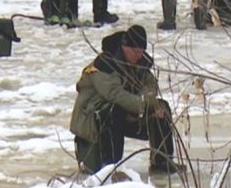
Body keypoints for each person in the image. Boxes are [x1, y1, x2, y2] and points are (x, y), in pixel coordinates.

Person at [69, 25, 177, 174]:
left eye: (142, 52)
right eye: (136, 51)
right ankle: (111, 167)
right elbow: (114, 94)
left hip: (124, 112)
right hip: (93, 121)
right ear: (125, 47)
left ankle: (162, 161)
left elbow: (150, 84)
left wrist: (151, 104)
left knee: (162, 107)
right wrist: (143, 107)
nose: (139, 56)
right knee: (115, 111)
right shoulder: (104, 64)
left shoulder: (138, 63)